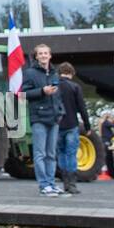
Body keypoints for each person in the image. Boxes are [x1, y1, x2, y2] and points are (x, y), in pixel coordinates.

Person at [21, 44, 65, 197]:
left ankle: (51, 183)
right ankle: (44, 185)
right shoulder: (29, 73)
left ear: (50, 55)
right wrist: (42, 91)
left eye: (46, 53)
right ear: (36, 56)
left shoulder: (54, 73)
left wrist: (60, 111)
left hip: (53, 117)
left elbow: (58, 96)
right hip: (38, 117)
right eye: (41, 53)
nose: (44, 56)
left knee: (51, 153)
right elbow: (23, 94)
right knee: (40, 153)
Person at [56, 62, 91, 194]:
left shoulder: (54, 87)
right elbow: (82, 108)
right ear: (72, 73)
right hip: (72, 125)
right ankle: (72, 183)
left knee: (61, 153)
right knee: (71, 154)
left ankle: (64, 181)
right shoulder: (75, 87)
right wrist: (87, 126)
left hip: (58, 125)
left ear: (59, 73)